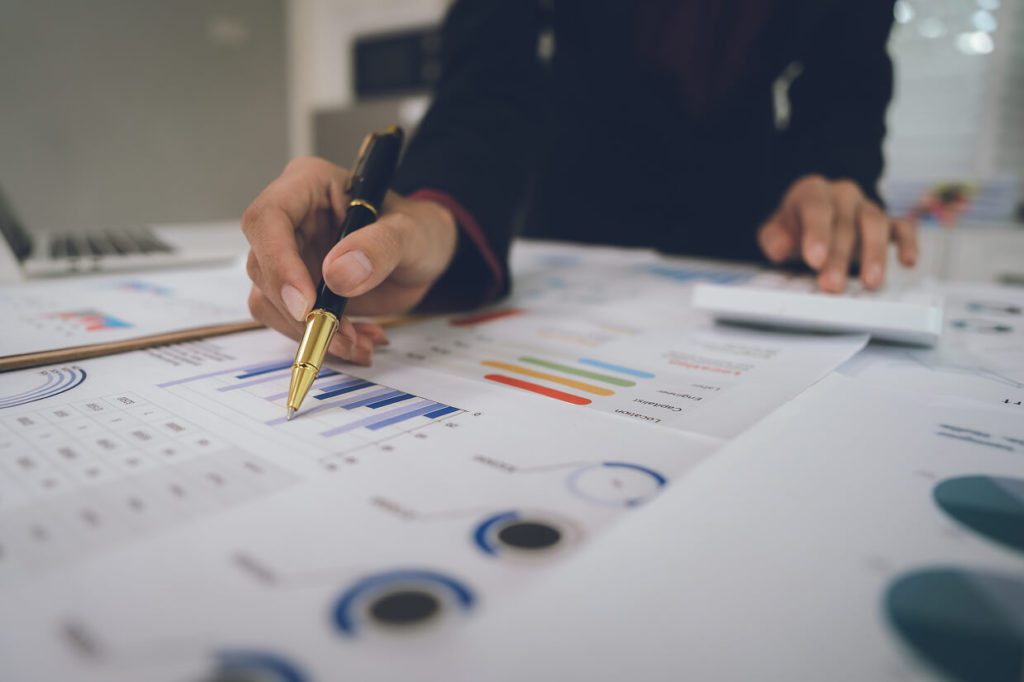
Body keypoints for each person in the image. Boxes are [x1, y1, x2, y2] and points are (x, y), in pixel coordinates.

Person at [241, 0, 918, 366]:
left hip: (750, 212)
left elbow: (848, 69)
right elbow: (489, 68)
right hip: (575, 195)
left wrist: (831, 175)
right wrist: (437, 213)